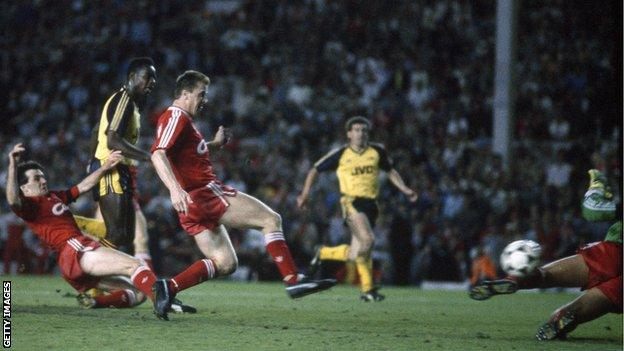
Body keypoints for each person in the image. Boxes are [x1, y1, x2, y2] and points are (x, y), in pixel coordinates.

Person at [149, 70, 337, 319]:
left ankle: (168, 287)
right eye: (201, 94)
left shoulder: (185, 123)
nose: (204, 99)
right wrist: (174, 190)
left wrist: (214, 144)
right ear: (185, 94)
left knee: (226, 263)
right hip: (204, 194)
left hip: (192, 206)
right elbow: (158, 154)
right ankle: (293, 279)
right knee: (271, 220)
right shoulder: (176, 115)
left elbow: (186, 154)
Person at [5, 143, 169, 318]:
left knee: (139, 293)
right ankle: (167, 300)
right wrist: (13, 165)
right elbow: (13, 200)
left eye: (43, 177)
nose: (43, 181)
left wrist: (106, 166)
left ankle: (96, 302)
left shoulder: (54, 197)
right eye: (37, 178)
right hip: (75, 251)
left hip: (71, 264)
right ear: (24, 188)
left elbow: (83, 186)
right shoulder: (29, 206)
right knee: (136, 265)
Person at [469, 169, 622, 340]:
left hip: (615, 251)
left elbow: (593, 210)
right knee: (603, 297)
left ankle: (516, 280)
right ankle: (563, 317)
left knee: (546, 275)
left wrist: (597, 185)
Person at [297, 116, 418, 302]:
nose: (360, 133)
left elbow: (390, 171)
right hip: (351, 202)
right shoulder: (341, 154)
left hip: (372, 205)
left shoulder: (377, 151)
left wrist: (405, 189)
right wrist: (305, 194)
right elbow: (314, 170)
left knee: (356, 252)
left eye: (364, 130)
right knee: (368, 240)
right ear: (349, 134)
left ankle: (325, 254)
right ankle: (367, 288)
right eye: (357, 130)